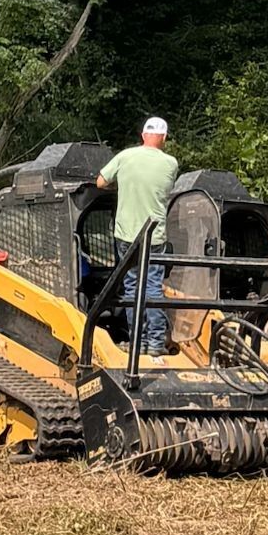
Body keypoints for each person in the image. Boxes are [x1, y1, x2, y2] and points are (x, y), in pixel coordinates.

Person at [97, 119, 179, 357]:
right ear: (164, 137)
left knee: (132, 286)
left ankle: (137, 343)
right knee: (153, 286)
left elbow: (100, 181)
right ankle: (156, 343)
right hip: (155, 236)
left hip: (127, 235)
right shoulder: (170, 163)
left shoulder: (125, 157)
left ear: (143, 134)